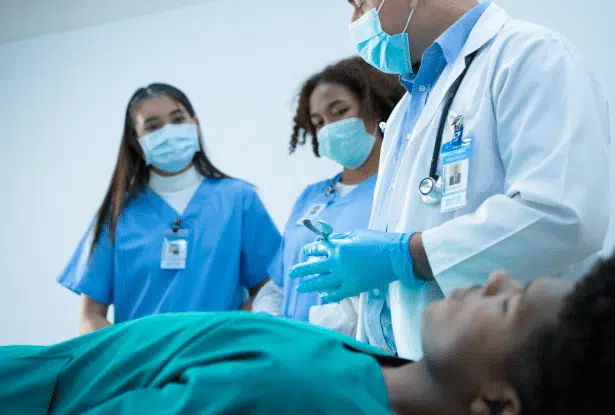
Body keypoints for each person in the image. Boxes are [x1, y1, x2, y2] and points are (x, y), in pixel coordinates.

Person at [289, 0, 610, 359]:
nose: (353, 23)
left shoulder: (531, 57)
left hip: (520, 364)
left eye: (358, 4)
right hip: (427, 370)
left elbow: (563, 215)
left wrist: (404, 255)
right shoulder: (408, 108)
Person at [4, 254, 614, 414]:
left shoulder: (292, 399)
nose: (498, 278)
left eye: (509, 307)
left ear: (497, 402)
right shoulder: (385, 371)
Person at [58, 83, 280, 334]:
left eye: (178, 119)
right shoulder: (118, 214)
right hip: (143, 365)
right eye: (153, 126)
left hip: (218, 360)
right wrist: (130, 358)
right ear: (135, 140)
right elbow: (90, 317)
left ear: (194, 124)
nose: (169, 131)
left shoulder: (238, 199)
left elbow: (268, 290)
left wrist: (223, 338)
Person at [252, 57, 404, 335]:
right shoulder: (311, 196)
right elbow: (279, 283)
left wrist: (325, 326)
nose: (328, 127)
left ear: (376, 104)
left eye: (339, 111)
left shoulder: (399, 188)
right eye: (318, 121)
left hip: (359, 351)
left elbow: (403, 274)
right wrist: (271, 320)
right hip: (292, 351)